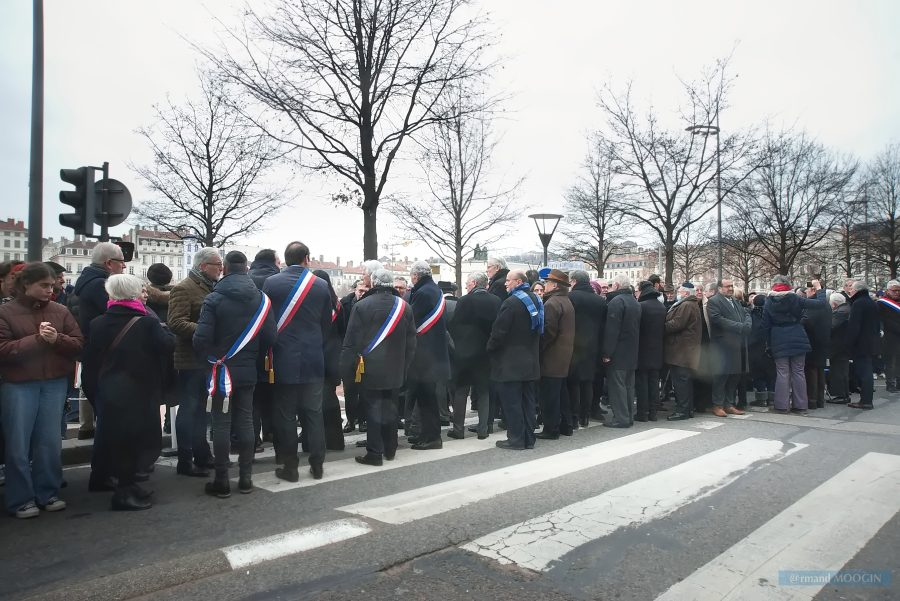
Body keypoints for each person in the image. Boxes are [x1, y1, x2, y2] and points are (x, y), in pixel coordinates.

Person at [81, 274, 173, 510]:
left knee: (118, 439)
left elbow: (90, 361)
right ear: (135, 294)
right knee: (137, 441)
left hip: (109, 391)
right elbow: (167, 346)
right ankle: (124, 493)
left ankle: (123, 485)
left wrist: (94, 392)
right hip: (139, 391)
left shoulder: (98, 322)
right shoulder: (146, 323)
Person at [0, 263, 83, 518]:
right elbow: (3, 350)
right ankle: (21, 498)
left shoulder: (60, 310)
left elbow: (79, 344)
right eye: (44, 285)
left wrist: (56, 339)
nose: (50, 289)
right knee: (18, 443)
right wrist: (36, 340)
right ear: (26, 284)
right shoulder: (5, 312)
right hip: (18, 384)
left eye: (51, 285)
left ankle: (48, 492)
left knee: (48, 442)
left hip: (54, 382)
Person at [193, 252, 275, 498]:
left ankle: (221, 480)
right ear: (246, 268)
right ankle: (246, 479)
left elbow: (201, 339)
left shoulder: (213, 299)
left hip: (220, 370)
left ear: (225, 269)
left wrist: (211, 356)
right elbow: (271, 338)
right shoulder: (261, 299)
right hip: (248, 369)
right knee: (246, 421)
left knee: (221, 423)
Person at [263, 242, 333, 482]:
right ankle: (317, 465)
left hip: (283, 358)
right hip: (313, 357)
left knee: (286, 415)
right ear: (306, 258)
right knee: (314, 413)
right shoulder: (321, 285)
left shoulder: (271, 283)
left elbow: (267, 321)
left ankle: (290, 468)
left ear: (285, 259)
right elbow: (327, 324)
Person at [341, 269, 416, 465]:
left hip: (370, 368)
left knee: (373, 409)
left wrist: (347, 369)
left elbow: (351, 341)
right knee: (391, 409)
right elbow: (412, 342)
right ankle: (390, 449)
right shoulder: (405, 306)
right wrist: (405, 366)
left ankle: (374, 452)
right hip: (396, 368)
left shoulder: (362, 305)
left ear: (373, 283)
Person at [168, 247, 222, 478]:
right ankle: (185, 459)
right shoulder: (183, 288)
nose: (220, 269)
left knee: (202, 410)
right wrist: (205, 331)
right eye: (216, 265)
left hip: (207, 359)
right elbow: (176, 323)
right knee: (189, 409)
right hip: (190, 359)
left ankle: (203, 455)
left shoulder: (212, 287)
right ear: (203, 266)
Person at [71, 243, 127, 444]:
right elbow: (118, 314)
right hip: (104, 353)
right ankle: (108, 465)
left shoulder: (87, 282)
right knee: (110, 413)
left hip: (96, 351)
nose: (125, 266)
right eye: (122, 261)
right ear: (109, 263)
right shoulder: (99, 285)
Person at [487, 270, 541, 450]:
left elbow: (499, 332)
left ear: (518, 282)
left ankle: (516, 439)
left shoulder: (511, 303)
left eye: (509, 281)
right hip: (530, 360)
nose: (505, 284)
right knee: (527, 402)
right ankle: (528, 438)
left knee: (512, 403)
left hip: (511, 362)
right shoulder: (535, 299)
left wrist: (490, 349)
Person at [448, 272, 501, 439]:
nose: (466, 286)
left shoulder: (464, 300)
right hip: (486, 353)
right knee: (484, 391)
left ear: (474, 283)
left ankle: (458, 429)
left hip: (464, 353)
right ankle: (483, 429)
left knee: (461, 391)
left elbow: (455, 326)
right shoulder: (496, 301)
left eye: (468, 283)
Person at [761, 276, 824, 414]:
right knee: (799, 371)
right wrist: (819, 288)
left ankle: (782, 406)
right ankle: (801, 406)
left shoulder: (769, 301)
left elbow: (765, 325)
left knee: (782, 372)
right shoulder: (795, 298)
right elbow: (821, 304)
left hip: (778, 338)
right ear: (788, 285)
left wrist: (768, 344)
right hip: (797, 335)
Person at [405, 261, 451, 450]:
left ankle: (432, 437)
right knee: (425, 397)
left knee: (427, 399)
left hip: (425, 355)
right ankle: (425, 434)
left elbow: (412, 319)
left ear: (415, 276)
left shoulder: (423, 292)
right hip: (433, 354)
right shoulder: (433, 289)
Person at [535, 270, 575, 439]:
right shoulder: (566, 301)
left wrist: (538, 349)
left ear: (555, 285)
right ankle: (566, 425)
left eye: (548, 282)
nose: (545, 285)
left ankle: (551, 429)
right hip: (563, 356)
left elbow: (548, 332)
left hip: (552, 358)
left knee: (550, 396)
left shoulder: (552, 303)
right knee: (561, 394)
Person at [249, 251, 282, 449]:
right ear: (274, 262)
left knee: (252, 396)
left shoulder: (246, 280)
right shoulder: (277, 281)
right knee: (273, 392)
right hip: (275, 344)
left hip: (249, 344)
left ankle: (253, 436)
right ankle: (271, 431)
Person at [567, 270, 607, 428]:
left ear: (574, 281)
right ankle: (585, 416)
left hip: (575, 345)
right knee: (587, 382)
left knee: (574, 383)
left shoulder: (571, 298)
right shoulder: (600, 300)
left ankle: (575, 418)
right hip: (593, 346)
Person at [705, 279, 750, 417]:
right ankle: (717, 405)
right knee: (721, 376)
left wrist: (747, 324)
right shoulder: (714, 301)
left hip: (736, 344)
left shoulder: (735, 301)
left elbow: (746, 313)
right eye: (727, 286)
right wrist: (739, 327)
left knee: (734, 375)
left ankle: (729, 404)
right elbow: (717, 319)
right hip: (722, 345)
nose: (730, 288)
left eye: (732, 286)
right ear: (720, 288)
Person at [602, 275, 641, 428]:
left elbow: (612, 331)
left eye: (611, 285)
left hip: (618, 352)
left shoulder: (616, 302)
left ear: (617, 285)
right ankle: (629, 415)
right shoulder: (634, 302)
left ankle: (621, 418)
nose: (610, 287)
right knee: (629, 386)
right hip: (632, 352)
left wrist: (607, 353)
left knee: (617, 387)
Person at [313, 269, 346, 451]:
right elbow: (342, 331)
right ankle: (335, 440)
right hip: (333, 356)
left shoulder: (313, 304)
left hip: (316, 354)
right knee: (330, 397)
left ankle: (315, 439)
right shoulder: (337, 305)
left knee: (314, 400)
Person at [664, 283, 702, 421]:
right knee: (683, 381)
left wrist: (660, 326)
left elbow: (677, 324)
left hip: (682, 350)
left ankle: (683, 410)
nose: (677, 293)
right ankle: (687, 409)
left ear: (686, 293)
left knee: (681, 382)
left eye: (679, 291)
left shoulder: (686, 305)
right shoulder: (690, 304)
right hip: (684, 349)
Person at [845, 279, 880, 410]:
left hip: (861, 343)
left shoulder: (858, 304)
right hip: (871, 341)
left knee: (864, 372)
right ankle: (866, 399)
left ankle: (865, 401)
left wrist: (848, 344)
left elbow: (854, 326)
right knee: (868, 371)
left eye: (852, 289)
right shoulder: (871, 302)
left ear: (858, 291)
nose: (850, 291)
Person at [635, 281, 666, 421]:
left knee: (642, 382)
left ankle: (642, 413)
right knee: (654, 382)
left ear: (642, 291)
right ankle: (653, 412)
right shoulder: (661, 306)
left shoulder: (641, 306)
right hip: (658, 350)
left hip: (643, 350)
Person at [802, 283, 832, 409]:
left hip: (813, 340)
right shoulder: (826, 305)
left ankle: (812, 400)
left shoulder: (813, 305)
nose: (805, 292)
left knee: (811, 371)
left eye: (807, 289)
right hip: (823, 340)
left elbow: (808, 322)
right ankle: (820, 400)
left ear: (813, 290)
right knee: (819, 370)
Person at [748, 294, 775, 407]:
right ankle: (772, 398)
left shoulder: (752, 314)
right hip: (770, 348)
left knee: (758, 374)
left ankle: (761, 399)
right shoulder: (772, 314)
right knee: (771, 374)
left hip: (755, 348)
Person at [827, 293, 851, 404]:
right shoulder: (846, 309)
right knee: (842, 371)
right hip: (843, 345)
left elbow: (831, 326)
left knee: (838, 371)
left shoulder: (840, 313)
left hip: (839, 346)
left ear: (834, 304)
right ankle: (844, 394)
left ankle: (841, 395)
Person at [877, 280, 900, 393]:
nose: (896, 293)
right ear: (887, 291)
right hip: (889, 336)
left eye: (898, 290)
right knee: (890, 361)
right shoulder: (882, 303)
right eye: (894, 290)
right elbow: (883, 320)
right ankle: (890, 384)